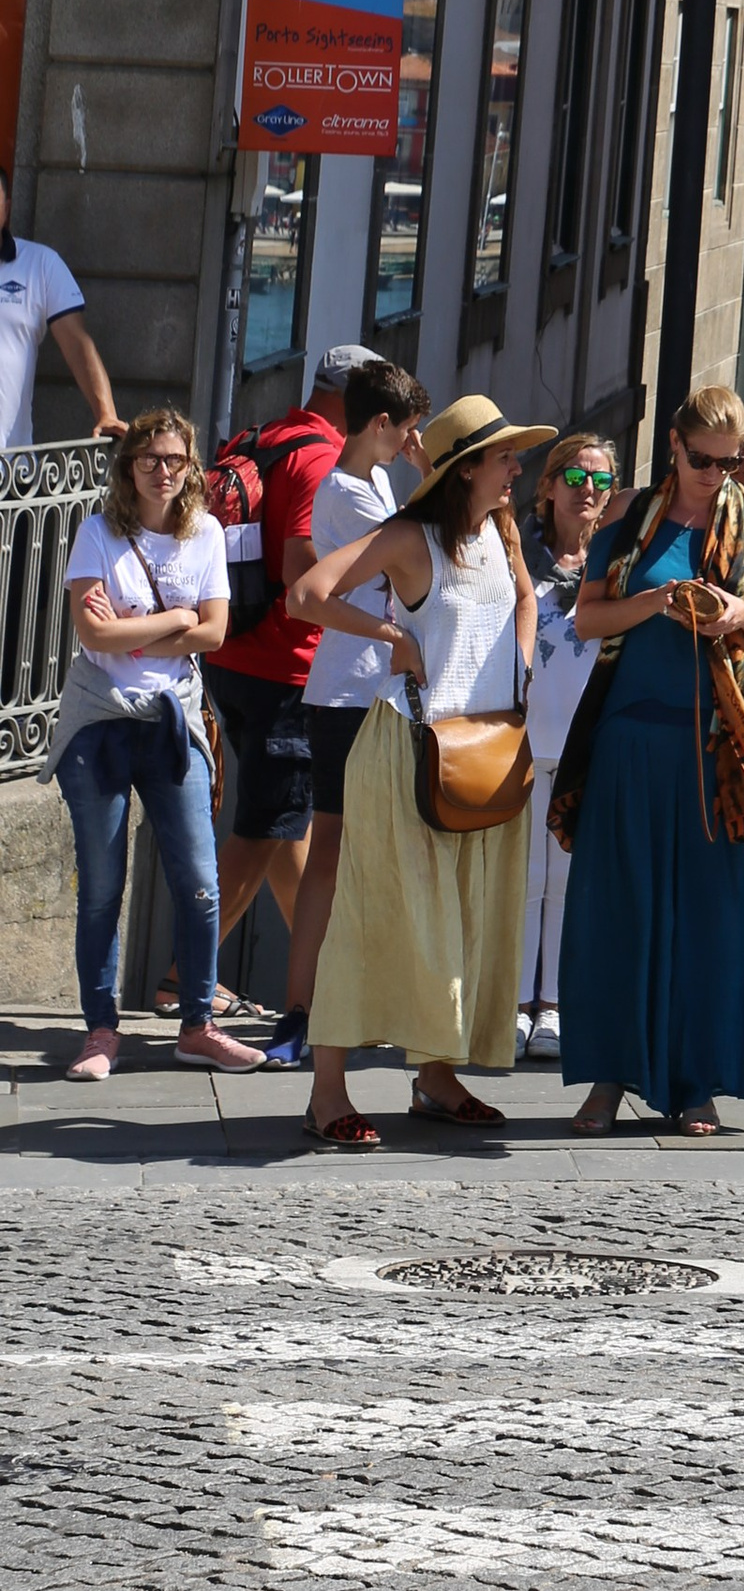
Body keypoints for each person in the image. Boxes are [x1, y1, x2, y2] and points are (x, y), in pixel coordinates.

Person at [299, 394, 547, 1148]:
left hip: (488, 749)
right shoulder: (408, 538)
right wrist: (390, 638)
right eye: (505, 457)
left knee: (469, 918)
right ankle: (326, 1093)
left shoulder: (501, 528)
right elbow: (308, 594)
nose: (517, 467)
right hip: (407, 751)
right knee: (371, 917)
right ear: (467, 468)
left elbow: (527, 599)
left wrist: (522, 664)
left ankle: (436, 1078)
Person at [555, 383, 744, 1139]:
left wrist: (736, 613)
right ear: (673, 444)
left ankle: (699, 1083)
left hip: (721, 746)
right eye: (701, 459)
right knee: (617, 916)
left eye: (731, 464)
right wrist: (656, 605)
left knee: (715, 922)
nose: (715, 475)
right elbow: (588, 615)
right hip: (632, 737)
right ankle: (609, 1077)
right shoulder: (628, 514)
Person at [50, 412, 261, 1078]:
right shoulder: (97, 533)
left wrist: (139, 626)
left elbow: (216, 633)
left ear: (190, 465)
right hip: (100, 726)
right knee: (103, 890)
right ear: (128, 468)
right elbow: (93, 636)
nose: (163, 472)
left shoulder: (205, 535)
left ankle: (197, 1024)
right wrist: (177, 619)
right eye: (149, 460)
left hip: (172, 722)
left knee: (199, 883)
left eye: (174, 460)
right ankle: (100, 1031)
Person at [264, 356, 428, 1071]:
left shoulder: (375, 480)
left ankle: (338, 1005)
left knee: (367, 853)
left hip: (368, 692)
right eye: (406, 432)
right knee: (330, 852)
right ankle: (302, 1009)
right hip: (349, 694)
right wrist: (431, 472)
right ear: (381, 424)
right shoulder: (347, 492)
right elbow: (416, 552)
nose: (409, 445)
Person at [198, 342, 373, 1001]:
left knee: (286, 825)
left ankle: (328, 983)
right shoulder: (322, 457)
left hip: (232, 658)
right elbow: (302, 568)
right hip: (286, 667)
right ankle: (184, 974)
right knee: (265, 826)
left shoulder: (265, 435)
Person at [513, 431, 617, 1060]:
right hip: (525, 739)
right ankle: (518, 1001)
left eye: (601, 481)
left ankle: (553, 1002)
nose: (588, 492)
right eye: (576, 478)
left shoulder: (614, 564)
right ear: (548, 487)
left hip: (588, 741)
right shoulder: (517, 558)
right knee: (525, 878)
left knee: (569, 878)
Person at [0, 166, 118, 444]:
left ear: (6, 207)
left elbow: (77, 344)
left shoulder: (40, 265)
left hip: (8, 468)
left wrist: (106, 413)